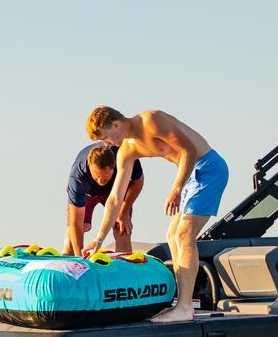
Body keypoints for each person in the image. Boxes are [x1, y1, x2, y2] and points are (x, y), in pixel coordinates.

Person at [83, 106, 229, 321]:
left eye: (106, 137)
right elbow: (115, 198)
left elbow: (188, 150)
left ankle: (184, 307)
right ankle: (181, 303)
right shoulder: (127, 150)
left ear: (116, 125)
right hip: (189, 175)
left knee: (184, 234)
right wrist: (98, 239)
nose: (107, 144)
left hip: (208, 168)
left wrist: (177, 188)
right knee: (173, 235)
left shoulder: (151, 121)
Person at [64, 143, 143, 256]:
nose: (101, 182)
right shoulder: (77, 177)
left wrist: (124, 210)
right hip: (87, 194)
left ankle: (122, 268)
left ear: (114, 167)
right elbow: (76, 223)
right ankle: (71, 264)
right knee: (72, 236)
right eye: (96, 177)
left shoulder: (125, 156)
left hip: (114, 191)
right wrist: (80, 259)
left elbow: (138, 182)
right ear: (90, 167)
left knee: (122, 228)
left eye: (106, 178)